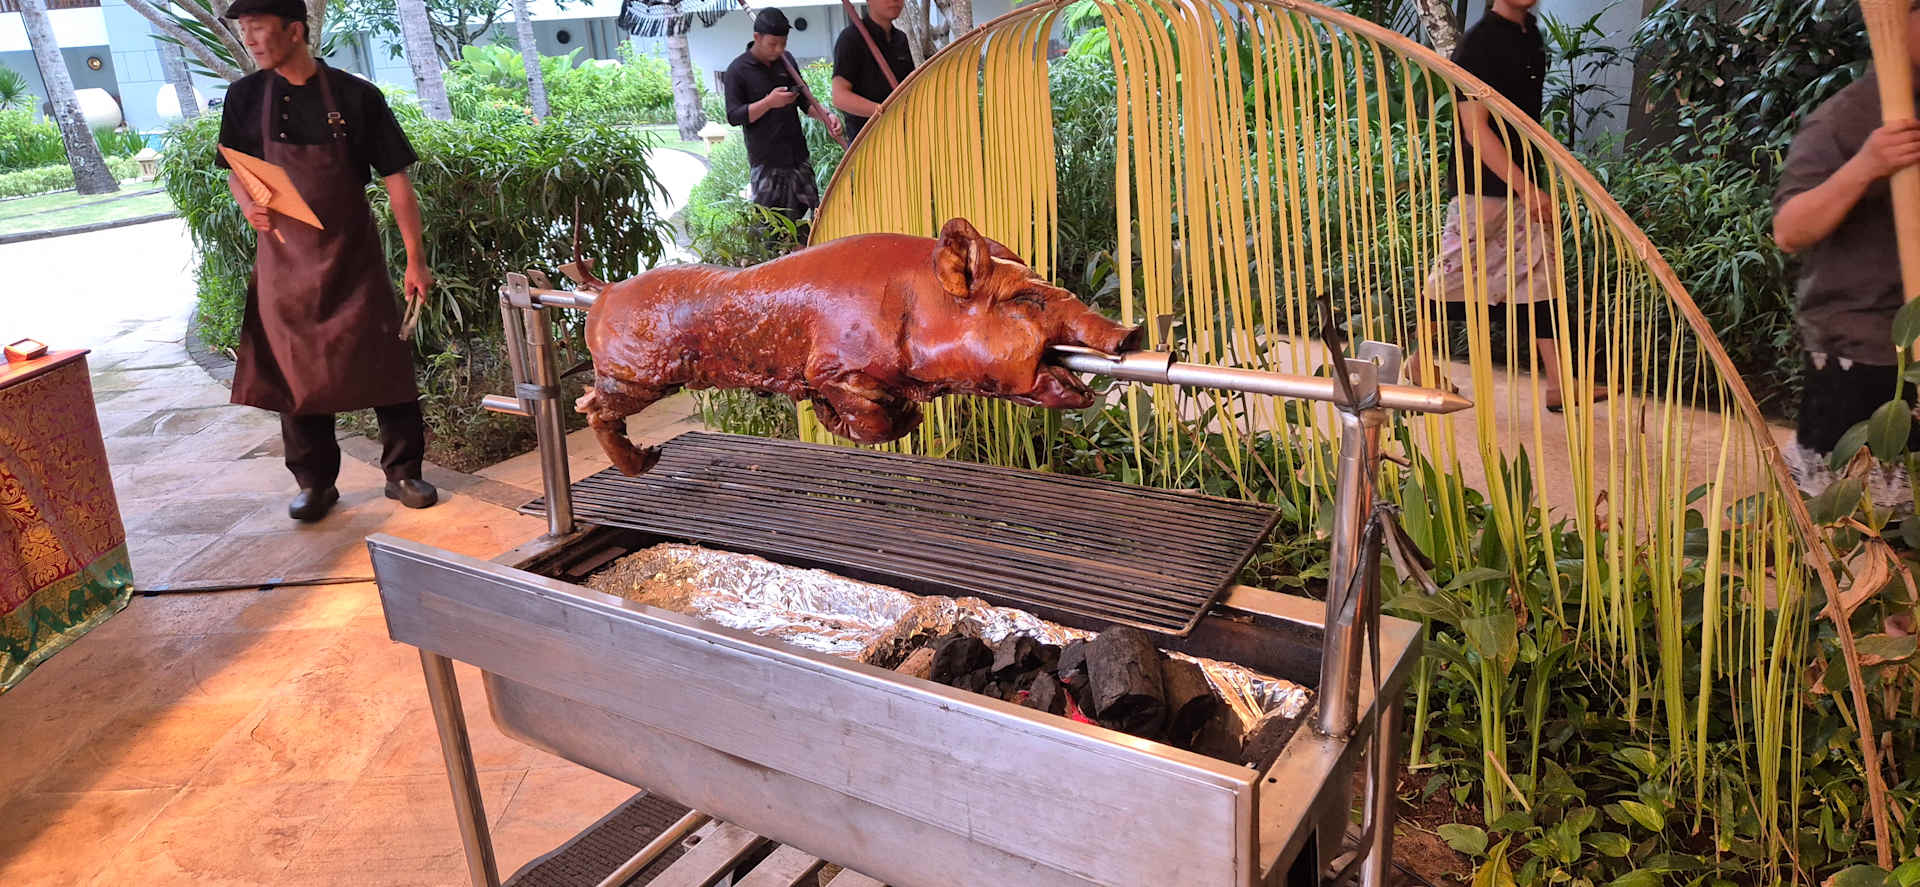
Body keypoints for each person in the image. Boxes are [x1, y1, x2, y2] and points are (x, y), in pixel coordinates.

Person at [216, 0, 438, 521]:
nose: (250, 41)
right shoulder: (245, 97)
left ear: (295, 30)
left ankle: (404, 473)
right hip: (283, 261)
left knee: (385, 362)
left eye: (258, 29)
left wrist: (416, 260)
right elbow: (235, 168)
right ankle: (315, 483)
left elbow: (397, 181)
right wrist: (248, 203)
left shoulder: (357, 96)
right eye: (245, 31)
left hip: (353, 258)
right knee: (294, 370)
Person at [1772, 1, 1920, 501]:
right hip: (1861, 353)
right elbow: (1789, 229)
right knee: (1851, 517)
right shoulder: (1843, 118)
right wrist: (1867, 164)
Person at [1419, 0, 1597, 412]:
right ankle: (1419, 362)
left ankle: (1559, 383)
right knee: (1453, 277)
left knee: (1540, 278)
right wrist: (1526, 189)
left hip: (1521, 182)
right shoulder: (1478, 45)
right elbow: (1474, 131)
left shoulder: (1530, 36)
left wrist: (1530, 184)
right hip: (1482, 187)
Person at [725, 8, 843, 231]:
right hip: (766, 164)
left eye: (783, 44)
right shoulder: (738, 70)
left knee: (810, 224)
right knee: (773, 231)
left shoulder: (786, 61)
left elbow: (805, 102)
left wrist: (827, 116)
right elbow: (734, 116)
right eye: (772, 44)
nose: (778, 49)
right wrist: (768, 103)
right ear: (757, 37)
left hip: (798, 159)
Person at [831, 0, 915, 143]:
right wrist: (882, 110)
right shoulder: (851, 38)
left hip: (902, 135)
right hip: (868, 142)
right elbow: (840, 97)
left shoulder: (901, 39)